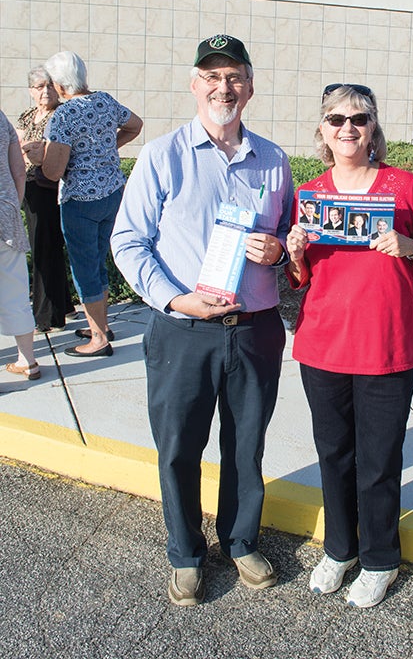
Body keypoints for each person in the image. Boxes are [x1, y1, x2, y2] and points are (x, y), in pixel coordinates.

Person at [111, 34, 293, 607]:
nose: (224, 87)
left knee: (246, 447)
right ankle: (186, 553)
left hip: (255, 328)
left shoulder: (273, 160)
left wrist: (282, 250)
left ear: (251, 87)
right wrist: (173, 299)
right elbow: (127, 241)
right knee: (179, 446)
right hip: (183, 330)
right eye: (212, 76)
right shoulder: (162, 156)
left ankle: (240, 542)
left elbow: (291, 238)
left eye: (234, 76)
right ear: (195, 85)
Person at [286, 84, 413, 609]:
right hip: (322, 346)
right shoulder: (310, 194)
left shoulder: (402, 186)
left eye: (359, 118)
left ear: (373, 128)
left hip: (384, 347)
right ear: (323, 130)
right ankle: (340, 549)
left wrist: (411, 246)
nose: (348, 128)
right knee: (333, 456)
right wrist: (294, 252)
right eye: (336, 119)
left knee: (378, 461)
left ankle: (379, 558)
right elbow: (300, 278)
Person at [24, 51, 143, 358]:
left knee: (85, 269)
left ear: (61, 84)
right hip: (112, 194)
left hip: (80, 200)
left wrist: (40, 156)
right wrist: (106, 149)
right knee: (99, 261)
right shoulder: (104, 100)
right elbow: (135, 125)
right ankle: (99, 324)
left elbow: (53, 171)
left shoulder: (63, 116)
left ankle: (99, 338)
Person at [16, 67, 75, 333]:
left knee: (45, 246)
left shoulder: (62, 114)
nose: (45, 91)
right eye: (39, 86)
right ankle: (63, 304)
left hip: (51, 186)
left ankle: (47, 316)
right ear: (31, 91)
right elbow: (16, 146)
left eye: (50, 85)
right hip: (29, 185)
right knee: (45, 243)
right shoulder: (27, 115)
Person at [0, 110, 40, 380]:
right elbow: (19, 172)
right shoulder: (1, 118)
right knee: (14, 291)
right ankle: (28, 360)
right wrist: (14, 203)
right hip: (5, 213)